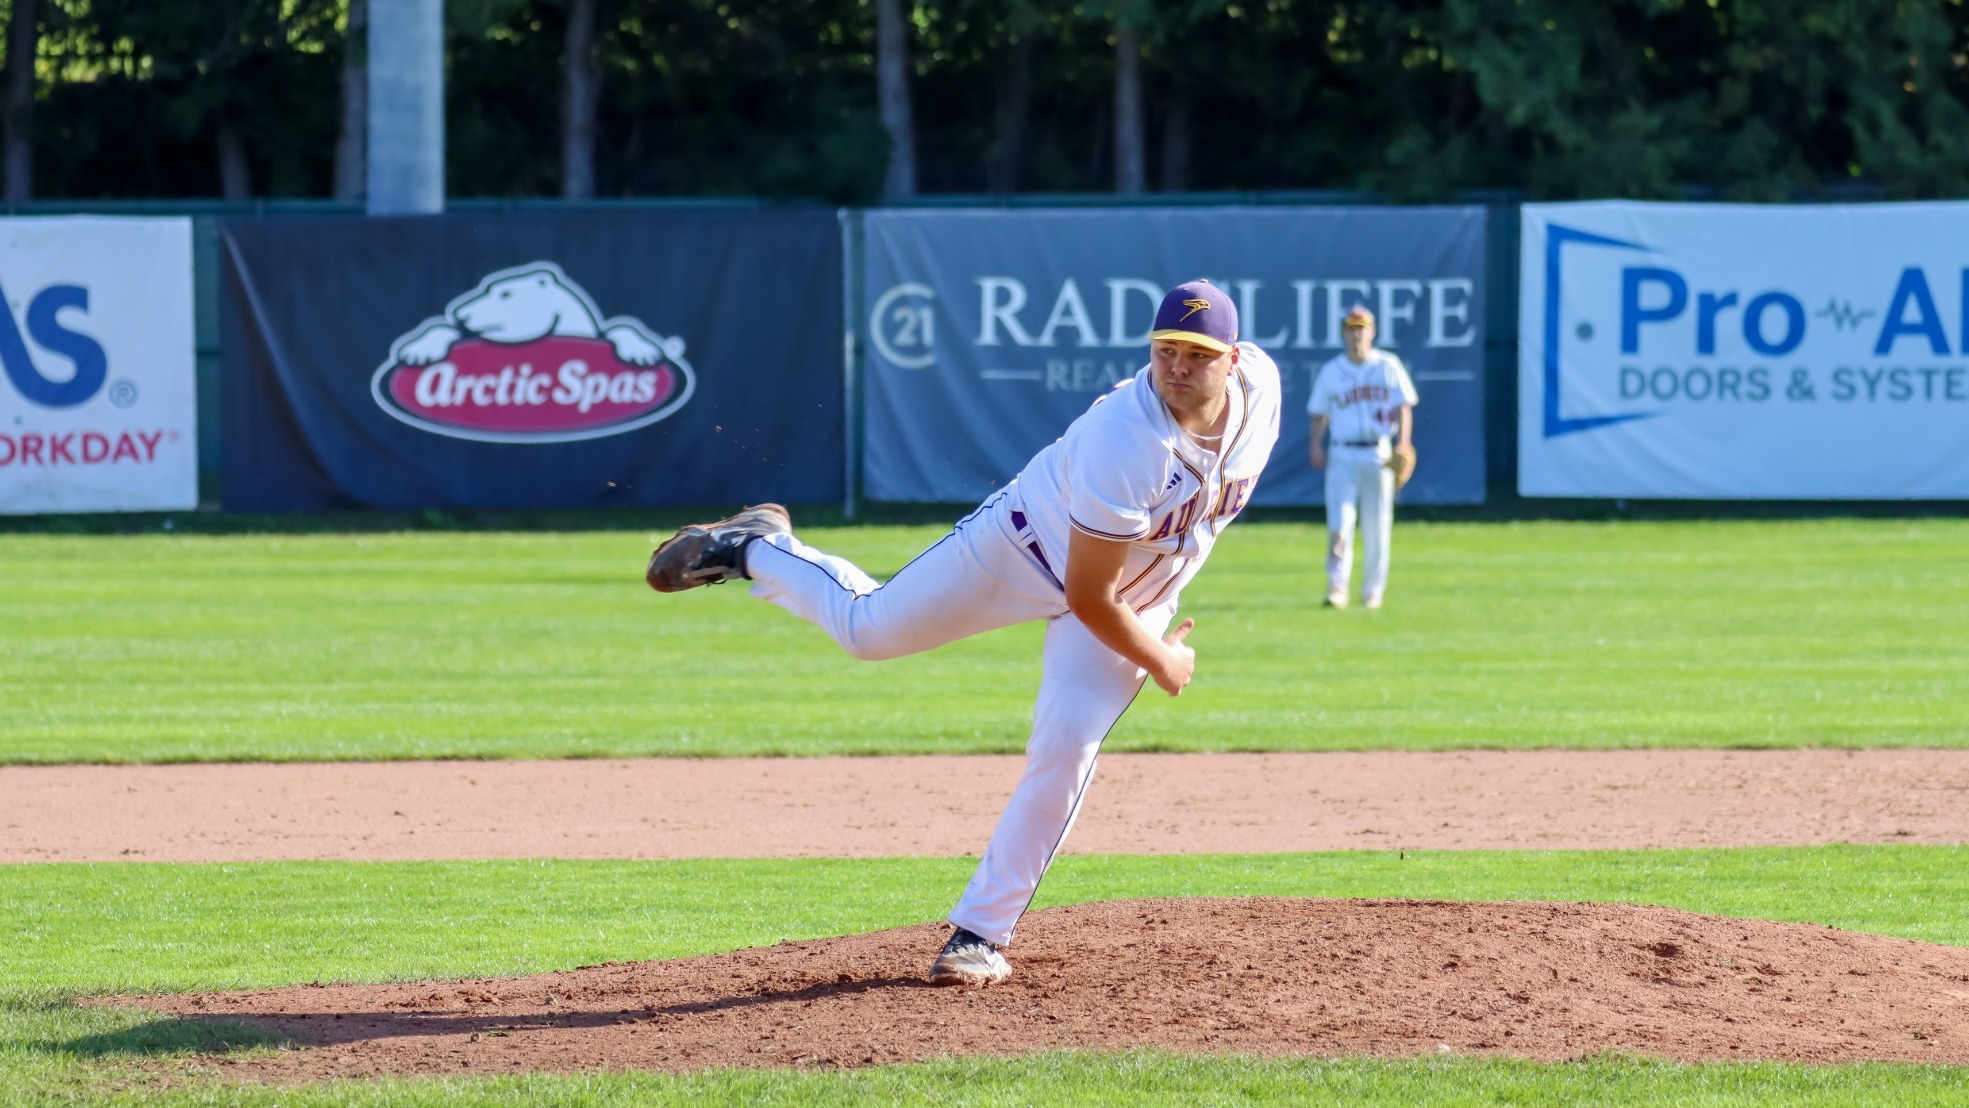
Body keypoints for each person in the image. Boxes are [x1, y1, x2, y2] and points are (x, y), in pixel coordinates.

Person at [645, 280, 1281, 986]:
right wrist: (1161, 658)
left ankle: (979, 933)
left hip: (1141, 591)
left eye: (1195, 354)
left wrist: (1155, 629)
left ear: (1232, 358)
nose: (1176, 368)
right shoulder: (1125, 439)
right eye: (1165, 351)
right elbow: (1088, 596)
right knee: (867, 630)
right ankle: (753, 546)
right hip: (1024, 552)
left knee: (1067, 746)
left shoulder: (1263, 391)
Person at [1306, 305, 1417, 610]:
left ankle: (1372, 592)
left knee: (1377, 526)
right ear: (1344, 333)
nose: (1357, 334)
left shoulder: (1387, 366)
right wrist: (1316, 443)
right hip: (1342, 452)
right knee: (1339, 523)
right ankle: (1337, 587)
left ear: (1373, 332)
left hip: (1379, 452)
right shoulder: (1332, 370)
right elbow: (1318, 412)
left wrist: (1404, 443)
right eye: (1352, 329)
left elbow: (1404, 406)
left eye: (1362, 328)